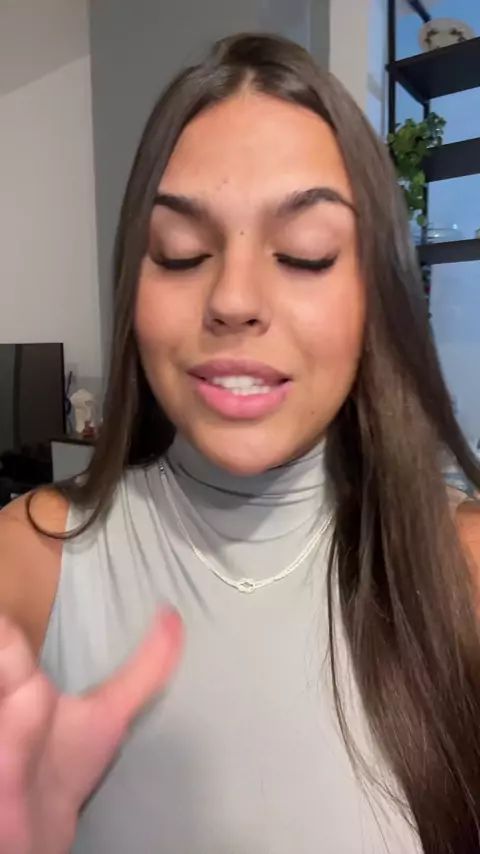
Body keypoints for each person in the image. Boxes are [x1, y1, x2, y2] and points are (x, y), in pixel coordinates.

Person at [0, 33, 479, 854]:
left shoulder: (462, 569)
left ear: (376, 293)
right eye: (181, 254)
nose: (232, 298)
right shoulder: (29, 563)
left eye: (305, 254)